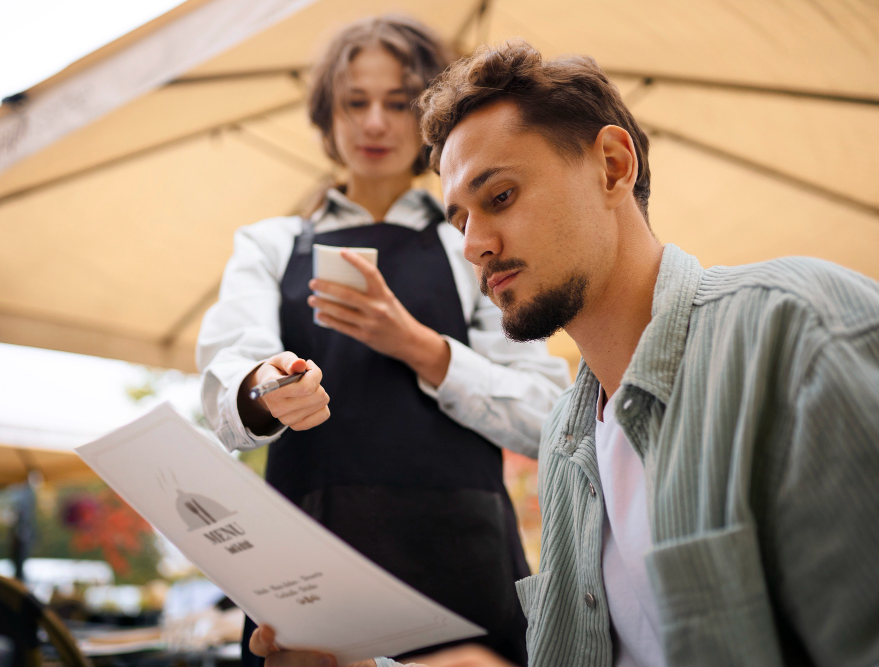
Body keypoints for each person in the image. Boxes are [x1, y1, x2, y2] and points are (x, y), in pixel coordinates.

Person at [253, 40, 879, 667]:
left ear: (612, 165)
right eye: (459, 221)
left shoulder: (799, 330)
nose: (474, 246)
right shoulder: (565, 440)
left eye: (499, 197)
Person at [196, 20, 570, 667]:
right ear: (327, 117)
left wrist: (422, 347)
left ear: (432, 116)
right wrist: (269, 390)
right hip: (308, 570)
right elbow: (227, 390)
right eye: (355, 102)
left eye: (400, 102)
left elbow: (549, 417)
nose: (376, 122)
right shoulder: (270, 243)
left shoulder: (474, 244)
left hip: (463, 565)